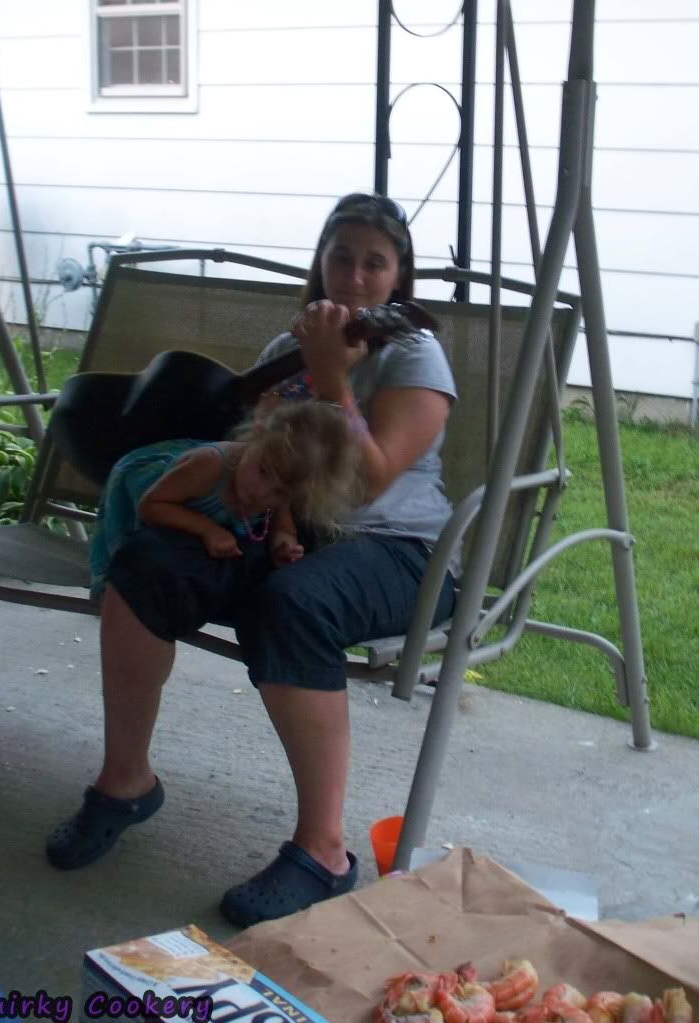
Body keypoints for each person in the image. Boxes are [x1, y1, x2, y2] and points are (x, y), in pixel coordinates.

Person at [45, 191, 461, 929]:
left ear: (399, 276)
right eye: (341, 256)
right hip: (283, 532)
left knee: (292, 601)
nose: (355, 276)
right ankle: (125, 780)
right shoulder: (281, 356)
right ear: (320, 262)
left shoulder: (414, 352)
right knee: (148, 563)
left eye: (375, 262)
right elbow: (255, 463)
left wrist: (334, 380)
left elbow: (367, 480)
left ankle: (324, 852)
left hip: (398, 552)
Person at [88, 399, 360, 598]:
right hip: (154, 486)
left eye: (280, 492)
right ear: (256, 437)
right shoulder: (209, 467)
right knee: (128, 570)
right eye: (262, 471)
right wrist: (207, 529)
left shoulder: (280, 482)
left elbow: (282, 523)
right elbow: (151, 506)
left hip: (179, 498)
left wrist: (284, 543)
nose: (262, 492)